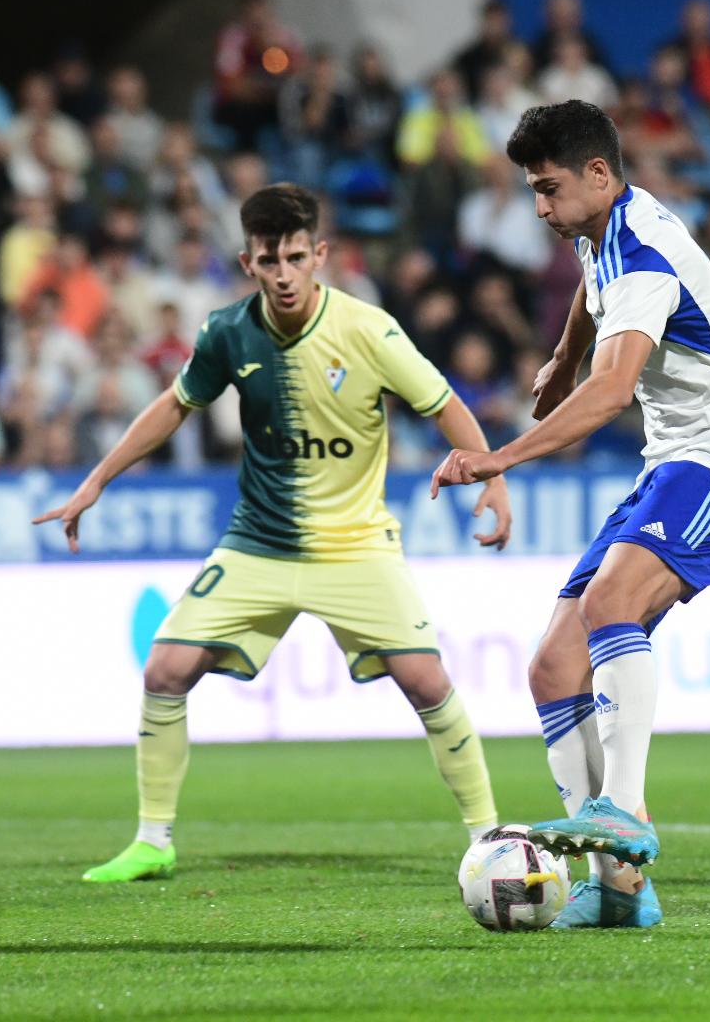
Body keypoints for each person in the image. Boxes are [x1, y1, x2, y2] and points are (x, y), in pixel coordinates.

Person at [34, 184, 510, 882]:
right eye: (268, 261)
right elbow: (174, 405)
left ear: (320, 255)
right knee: (165, 669)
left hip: (354, 545)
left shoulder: (370, 331)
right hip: (257, 542)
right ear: (247, 262)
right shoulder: (227, 332)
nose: (283, 274)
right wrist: (97, 480)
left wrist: (493, 476)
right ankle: (153, 840)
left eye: (294, 257)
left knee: (426, 681)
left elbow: (443, 404)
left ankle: (490, 836)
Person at [430, 100, 710, 929]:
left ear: (597, 174)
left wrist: (501, 454)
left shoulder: (646, 251)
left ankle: (622, 811)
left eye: (548, 190)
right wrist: (562, 352)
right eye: (531, 194)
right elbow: (593, 283)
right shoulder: (605, 230)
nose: (541, 209)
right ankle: (619, 893)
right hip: (674, 461)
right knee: (553, 667)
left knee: (609, 606)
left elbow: (614, 392)